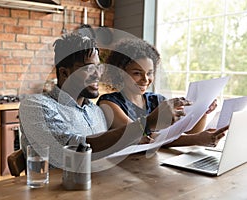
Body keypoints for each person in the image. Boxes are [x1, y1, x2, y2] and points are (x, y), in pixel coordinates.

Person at [19, 33, 177, 168]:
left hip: (99, 186)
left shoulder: (95, 111)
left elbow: (109, 147)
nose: (97, 75)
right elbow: (74, 149)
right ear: (65, 73)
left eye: (99, 67)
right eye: (89, 68)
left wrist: (134, 140)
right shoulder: (36, 106)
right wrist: (146, 123)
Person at [97, 38, 226, 147]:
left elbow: (188, 133)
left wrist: (203, 112)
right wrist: (197, 139)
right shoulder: (109, 103)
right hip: (127, 168)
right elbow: (144, 136)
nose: (145, 80)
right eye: (137, 73)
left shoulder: (157, 100)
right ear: (121, 73)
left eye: (149, 73)